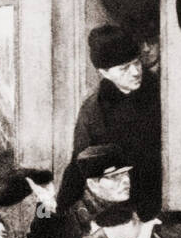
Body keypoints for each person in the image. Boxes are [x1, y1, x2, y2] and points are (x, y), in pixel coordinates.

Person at [58, 24, 162, 220]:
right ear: (103, 72)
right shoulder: (93, 110)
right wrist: (58, 212)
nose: (135, 72)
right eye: (124, 68)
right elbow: (78, 164)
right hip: (120, 210)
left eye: (137, 63)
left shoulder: (161, 93)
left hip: (159, 197)